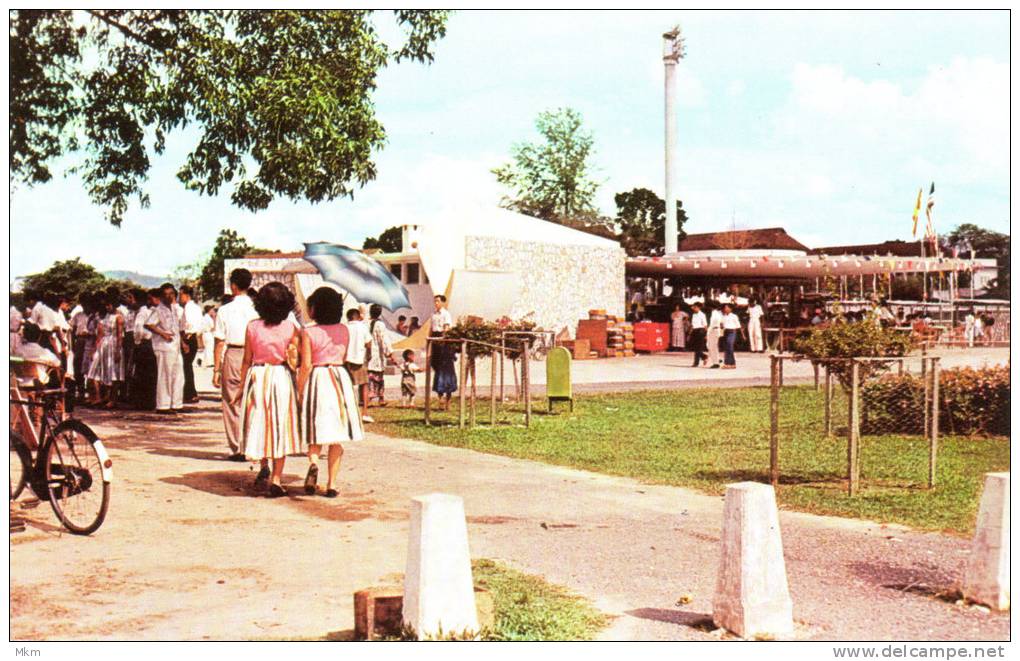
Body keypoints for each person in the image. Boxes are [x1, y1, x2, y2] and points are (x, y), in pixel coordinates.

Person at [234, 282, 301, 498]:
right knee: (280, 425)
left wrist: (240, 386)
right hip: (281, 377)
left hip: (258, 376)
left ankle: (264, 465)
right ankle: (277, 479)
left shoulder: (252, 327)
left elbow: (246, 360)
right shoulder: (291, 328)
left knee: (260, 422)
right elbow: (295, 360)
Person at [297, 287, 363, 498]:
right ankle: (332, 483)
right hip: (338, 378)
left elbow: (305, 365)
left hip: (317, 377)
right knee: (337, 434)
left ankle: (314, 462)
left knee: (315, 429)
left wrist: (300, 389)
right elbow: (345, 357)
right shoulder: (345, 330)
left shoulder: (308, 332)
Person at [214, 269, 259, 460]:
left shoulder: (225, 310)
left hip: (234, 353)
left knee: (232, 401)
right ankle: (251, 445)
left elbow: (219, 341)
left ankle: (237, 447)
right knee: (252, 402)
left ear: (233, 285)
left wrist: (216, 369)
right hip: (256, 354)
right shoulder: (257, 308)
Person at [145, 283, 185, 414]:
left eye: (171, 294)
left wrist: (183, 343)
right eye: (166, 294)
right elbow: (149, 324)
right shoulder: (158, 310)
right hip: (164, 346)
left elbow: (179, 329)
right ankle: (163, 405)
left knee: (178, 375)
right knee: (165, 375)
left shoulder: (174, 309)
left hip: (175, 346)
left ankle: (176, 403)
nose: (169, 297)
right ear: (161, 296)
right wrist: (162, 333)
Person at [86, 293, 125, 408]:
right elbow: (100, 334)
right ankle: (101, 397)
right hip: (104, 344)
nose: (107, 307)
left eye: (109, 305)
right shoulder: (106, 317)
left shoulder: (119, 317)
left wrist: (118, 350)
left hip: (114, 344)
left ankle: (113, 399)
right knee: (98, 370)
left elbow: (119, 335)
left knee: (114, 371)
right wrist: (94, 349)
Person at [132, 289, 159, 410]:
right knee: (146, 374)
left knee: (147, 374)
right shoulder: (146, 311)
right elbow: (139, 330)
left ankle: (147, 401)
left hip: (149, 344)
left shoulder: (148, 312)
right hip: (148, 343)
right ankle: (145, 401)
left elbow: (139, 330)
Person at [343, 307, 371, 423]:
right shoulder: (363, 327)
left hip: (346, 360)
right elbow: (368, 343)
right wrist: (368, 356)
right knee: (364, 385)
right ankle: (364, 412)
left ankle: (347, 412)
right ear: (358, 316)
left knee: (346, 386)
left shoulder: (345, 328)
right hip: (359, 359)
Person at [366, 304, 395, 407]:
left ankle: (369, 398)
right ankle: (380, 398)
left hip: (369, 353)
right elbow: (383, 339)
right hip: (377, 353)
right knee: (379, 377)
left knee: (370, 377)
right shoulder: (380, 325)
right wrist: (390, 353)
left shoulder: (366, 323)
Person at [178, 285, 203, 403]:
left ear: (186, 295)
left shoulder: (189, 308)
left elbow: (188, 325)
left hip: (188, 337)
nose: (179, 298)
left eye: (180, 295)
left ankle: (190, 393)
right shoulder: (196, 308)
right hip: (192, 337)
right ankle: (189, 392)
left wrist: (184, 341)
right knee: (186, 366)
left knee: (186, 366)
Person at [429, 330, 458, 410]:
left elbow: (433, 359)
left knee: (442, 385)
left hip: (443, 368)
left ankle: (443, 402)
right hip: (446, 368)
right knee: (446, 386)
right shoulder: (448, 346)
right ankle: (446, 403)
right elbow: (455, 358)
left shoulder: (440, 346)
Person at [721, 303, 742, 369]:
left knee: (730, 345)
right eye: (725, 308)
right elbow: (722, 325)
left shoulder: (734, 316)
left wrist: (741, 335)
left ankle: (730, 363)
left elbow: (738, 326)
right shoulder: (723, 316)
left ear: (730, 309)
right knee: (726, 347)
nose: (725, 309)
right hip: (725, 331)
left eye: (727, 308)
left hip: (732, 331)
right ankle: (729, 363)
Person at [689, 302, 708, 367]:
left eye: (695, 307)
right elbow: (692, 325)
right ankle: (704, 356)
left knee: (698, 347)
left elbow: (705, 325)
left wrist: (706, 334)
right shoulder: (693, 315)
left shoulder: (702, 315)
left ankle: (696, 362)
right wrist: (690, 333)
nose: (694, 308)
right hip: (695, 331)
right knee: (695, 347)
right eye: (694, 307)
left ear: (699, 308)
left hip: (701, 331)